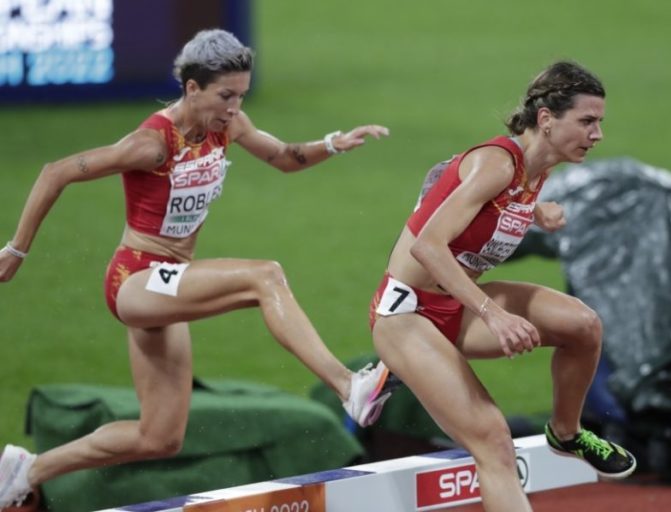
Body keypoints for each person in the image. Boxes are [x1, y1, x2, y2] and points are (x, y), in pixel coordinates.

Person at [0, 29, 394, 509]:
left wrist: (332, 143)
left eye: (241, 96)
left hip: (171, 286)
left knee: (160, 435)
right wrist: (16, 250)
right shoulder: (151, 145)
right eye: (225, 95)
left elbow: (283, 157)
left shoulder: (226, 126)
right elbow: (55, 172)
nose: (234, 107)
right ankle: (347, 386)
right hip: (136, 279)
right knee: (264, 276)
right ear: (192, 88)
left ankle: (29, 469)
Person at [369, 61, 636, 512]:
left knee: (583, 326)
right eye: (587, 121)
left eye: (600, 123)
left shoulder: (534, 171)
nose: (597, 135)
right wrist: (495, 315)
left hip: (454, 304)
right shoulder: (496, 162)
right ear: (547, 120)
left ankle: (566, 434)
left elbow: (459, 191)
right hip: (406, 315)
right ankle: (395, 365)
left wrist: (535, 211)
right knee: (494, 441)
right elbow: (429, 247)